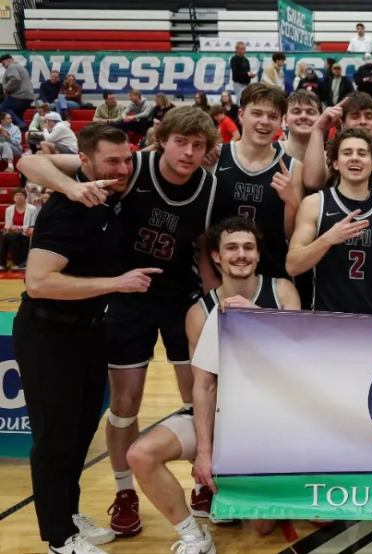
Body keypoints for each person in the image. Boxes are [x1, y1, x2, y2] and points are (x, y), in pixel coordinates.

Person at [18, 108, 222, 538]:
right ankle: (124, 490)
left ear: (206, 150)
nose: (188, 152)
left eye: (198, 145)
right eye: (180, 141)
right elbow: (31, 161)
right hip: (127, 293)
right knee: (124, 404)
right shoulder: (130, 168)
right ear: (160, 140)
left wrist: (214, 301)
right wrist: (71, 188)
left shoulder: (209, 185)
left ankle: (202, 481)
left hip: (180, 296)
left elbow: (204, 250)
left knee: (198, 392)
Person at [126, 216, 299, 554]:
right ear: (217, 257)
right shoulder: (199, 312)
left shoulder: (281, 291)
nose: (241, 255)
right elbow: (203, 387)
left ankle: (253, 481)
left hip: (272, 420)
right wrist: (205, 452)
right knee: (141, 454)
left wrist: (256, 318)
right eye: (231, 248)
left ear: (258, 254)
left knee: (262, 527)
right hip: (222, 416)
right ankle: (193, 534)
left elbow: (296, 360)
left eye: (248, 248)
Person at [13, 123, 143, 554]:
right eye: (112, 161)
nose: (123, 167)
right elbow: (38, 283)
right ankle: (58, 538)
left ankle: (68, 514)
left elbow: (31, 161)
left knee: (80, 432)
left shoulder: (106, 188)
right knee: (54, 441)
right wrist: (115, 284)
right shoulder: (69, 208)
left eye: (127, 158)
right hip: (49, 332)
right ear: (85, 162)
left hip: (89, 331)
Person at [288, 127, 372, 315]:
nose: (355, 158)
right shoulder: (315, 204)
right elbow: (292, 266)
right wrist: (328, 239)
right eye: (347, 153)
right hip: (326, 321)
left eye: (362, 153)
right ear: (335, 163)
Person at [209, 83, 304, 286]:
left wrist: (291, 202)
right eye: (257, 113)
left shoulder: (293, 167)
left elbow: (292, 235)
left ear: (281, 122)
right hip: (219, 274)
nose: (264, 122)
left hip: (271, 274)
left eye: (272, 116)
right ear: (241, 115)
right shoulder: (215, 157)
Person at [1, 188, 36, 269]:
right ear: (13, 198)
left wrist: (19, 228)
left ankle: (17, 263)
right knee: (6, 236)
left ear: (25, 197)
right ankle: (4, 264)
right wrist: (9, 227)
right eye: (17, 195)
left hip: (25, 233)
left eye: (21, 195)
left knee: (9, 236)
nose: (19, 197)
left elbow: (33, 225)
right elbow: (8, 224)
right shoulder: (9, 209)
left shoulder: (32, 209)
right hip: (13, 233)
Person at [0, 54, 35, 128]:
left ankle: (21, 124)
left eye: (3, 63)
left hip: (19, 96)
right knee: (17, 114)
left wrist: (6, 88)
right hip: (27, 97)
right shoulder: (20, 67)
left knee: (3, 108)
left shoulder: (12, 66)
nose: (3, 66)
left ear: (8, 60)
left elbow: (15, 79)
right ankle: (23, 129)